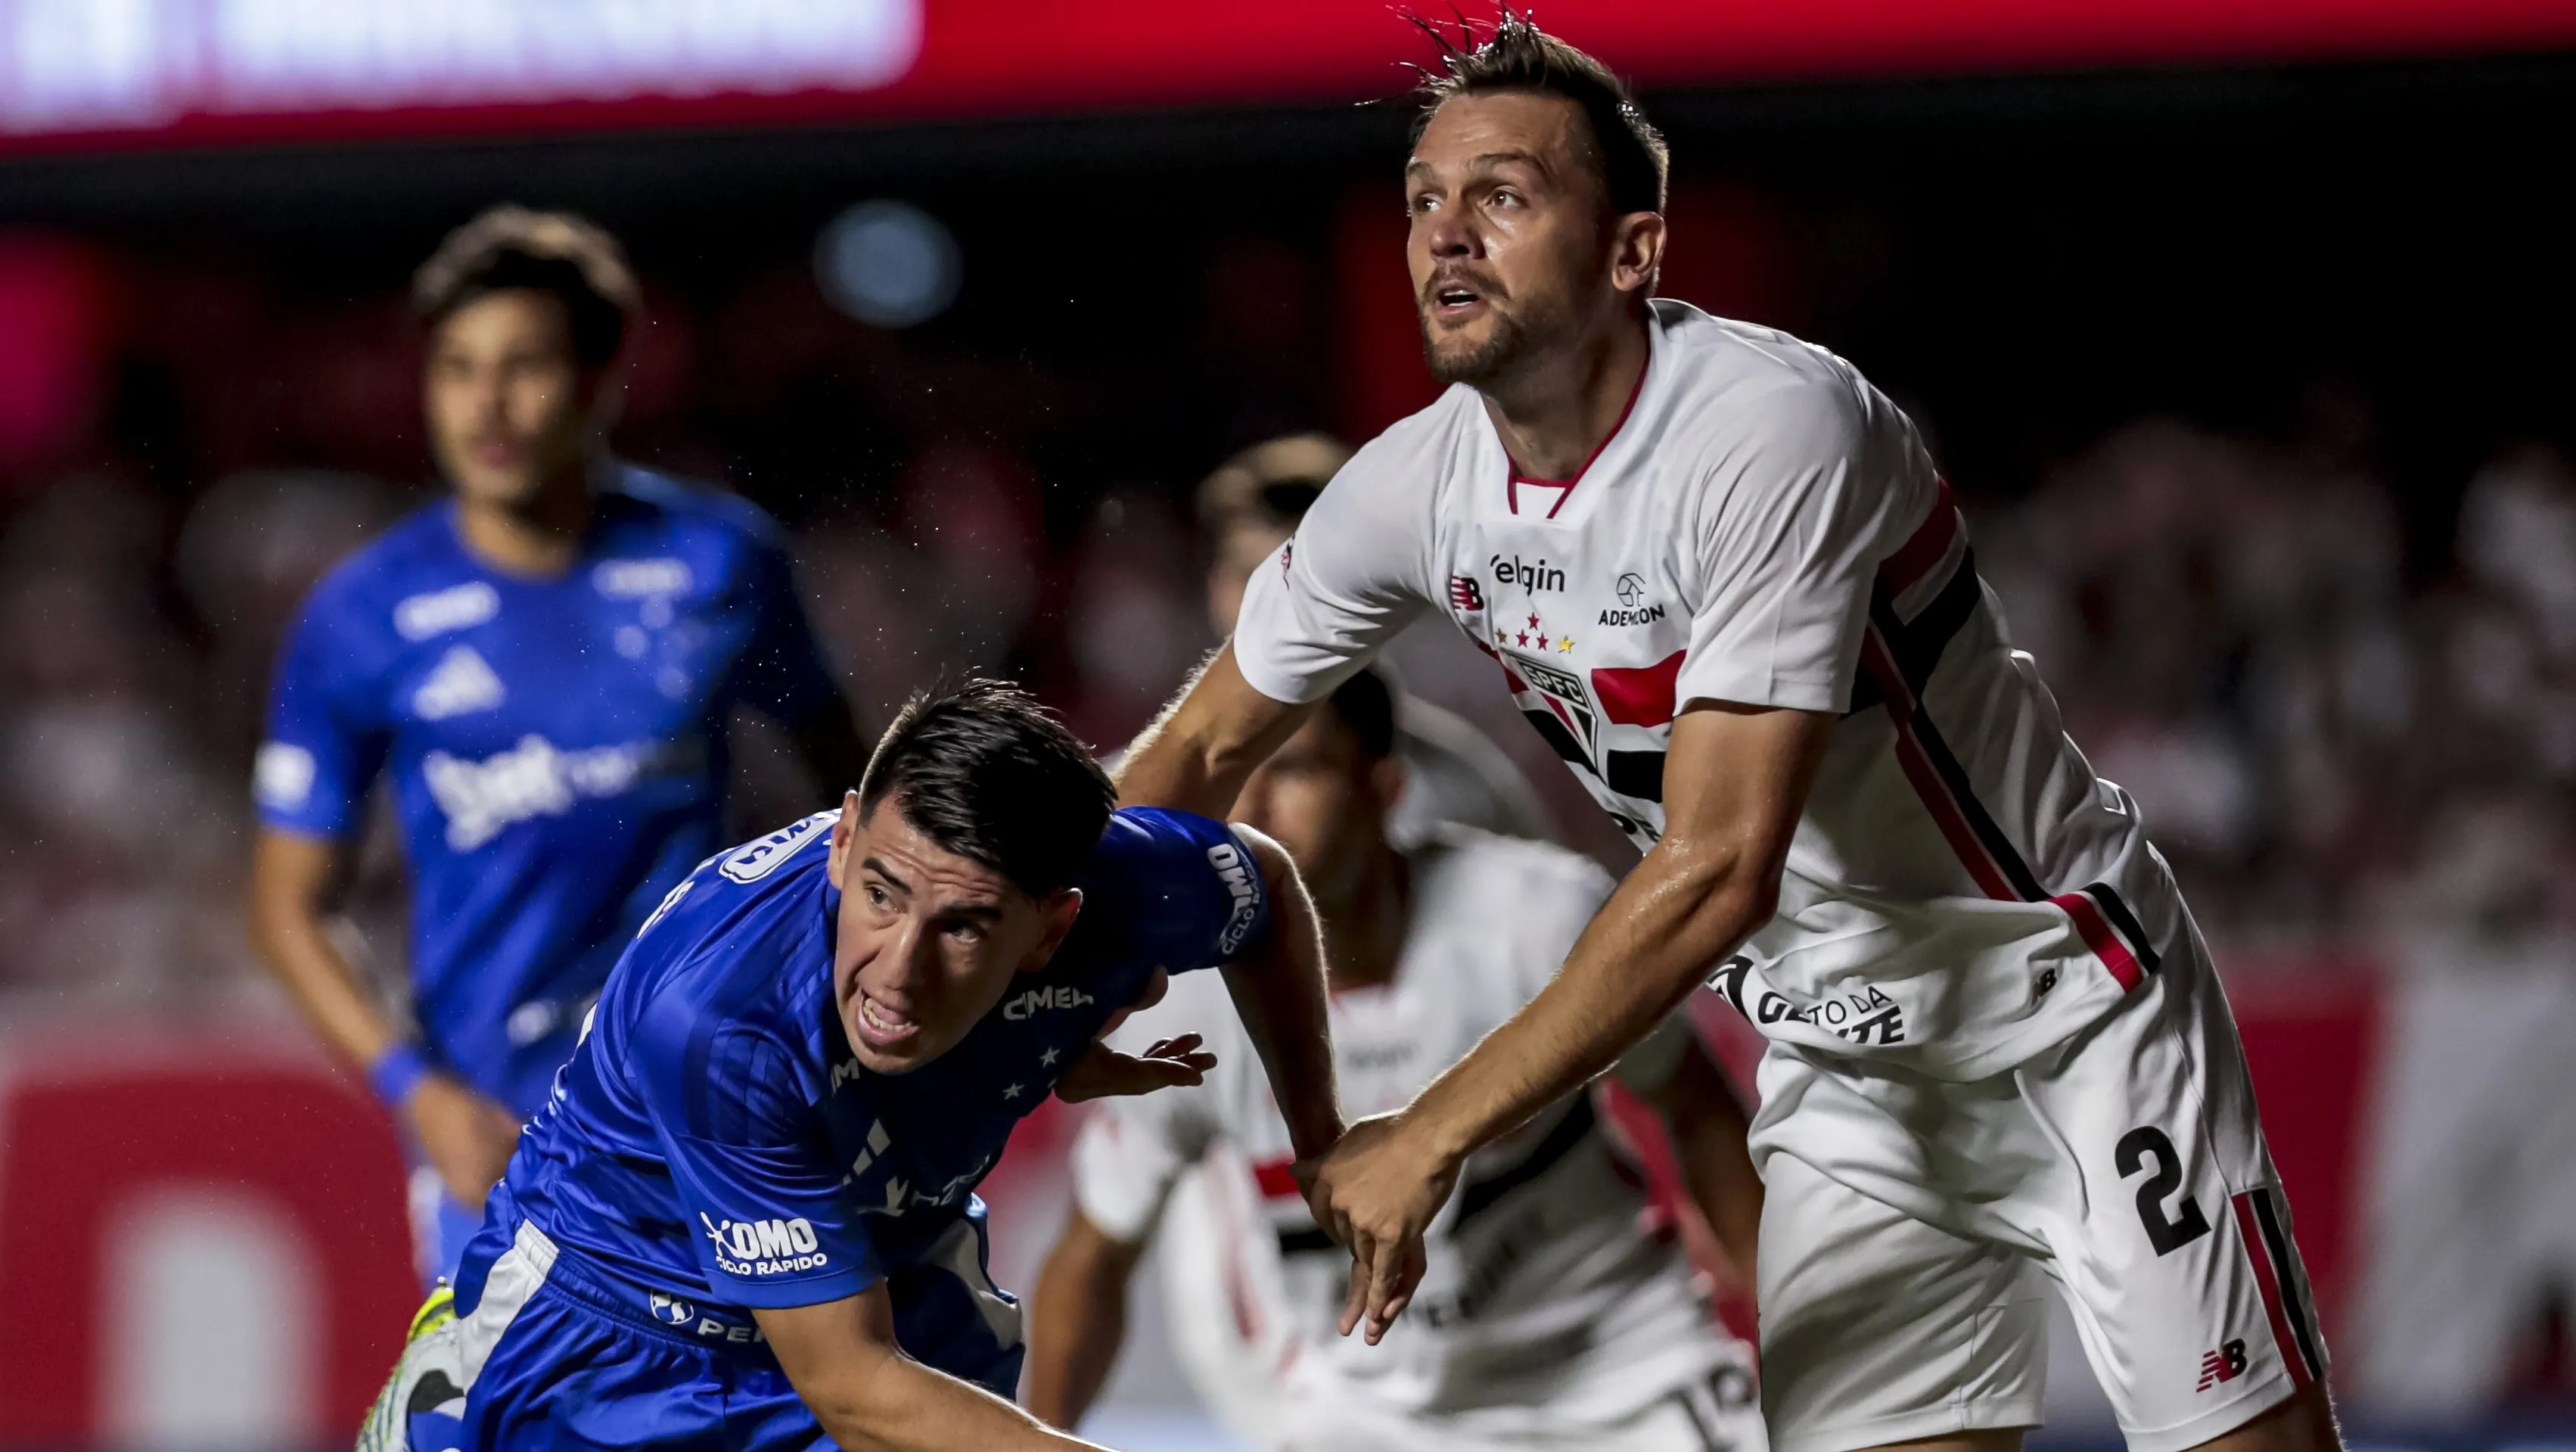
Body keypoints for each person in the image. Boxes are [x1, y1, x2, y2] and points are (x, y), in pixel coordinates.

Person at [1117, 20, 2341, 1452]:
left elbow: (1715, 868)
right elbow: (1193, 751)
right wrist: (1031, 952)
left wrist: (1432, 1126)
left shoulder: (1775, 431)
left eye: (1501, 196)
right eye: (1422, 201)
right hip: (1845, 1067)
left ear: (1633, 252)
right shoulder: (1412, 484)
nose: (1446, 235)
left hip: (2069, 1009)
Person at [360, 679, 1342, 1452]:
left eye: (960, 926)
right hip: (603, 1342)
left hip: (894, 1280)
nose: (897, 968)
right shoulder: (721, 1021)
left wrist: (1322, 1140)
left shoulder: (1130, 883)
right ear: (840, 841)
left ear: (1053, 928)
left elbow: (1262, 892)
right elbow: (853, 1387)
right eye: (881, 892)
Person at [248, 205, 869, 1286]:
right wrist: (418, 1092)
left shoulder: (719, 560)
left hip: (715, 1103)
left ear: (600, 381)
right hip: (494, 1134)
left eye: (523, 365)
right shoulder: (363, 613)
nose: (485, 405)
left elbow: (859, 803)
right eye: (456, 368)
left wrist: (831, 1012)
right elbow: (285, 903)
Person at [1027, 667, 1763, 1452]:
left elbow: (1698, 1111)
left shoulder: (1543, 919)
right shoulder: (1178, 1008)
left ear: (1385, 788)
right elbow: (1093, 1254)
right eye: (1238, 778)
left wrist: (1789, 1330)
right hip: (1371, 1416)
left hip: (1625, 1369)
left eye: (1298, 769)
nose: (1257, 813)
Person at [1198, 433, 1554, 846]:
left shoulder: (1466, 794)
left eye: (1313, 581)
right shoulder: (1141, 788)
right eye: (1254, 579)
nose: (1282, 612)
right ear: (1216, 588)